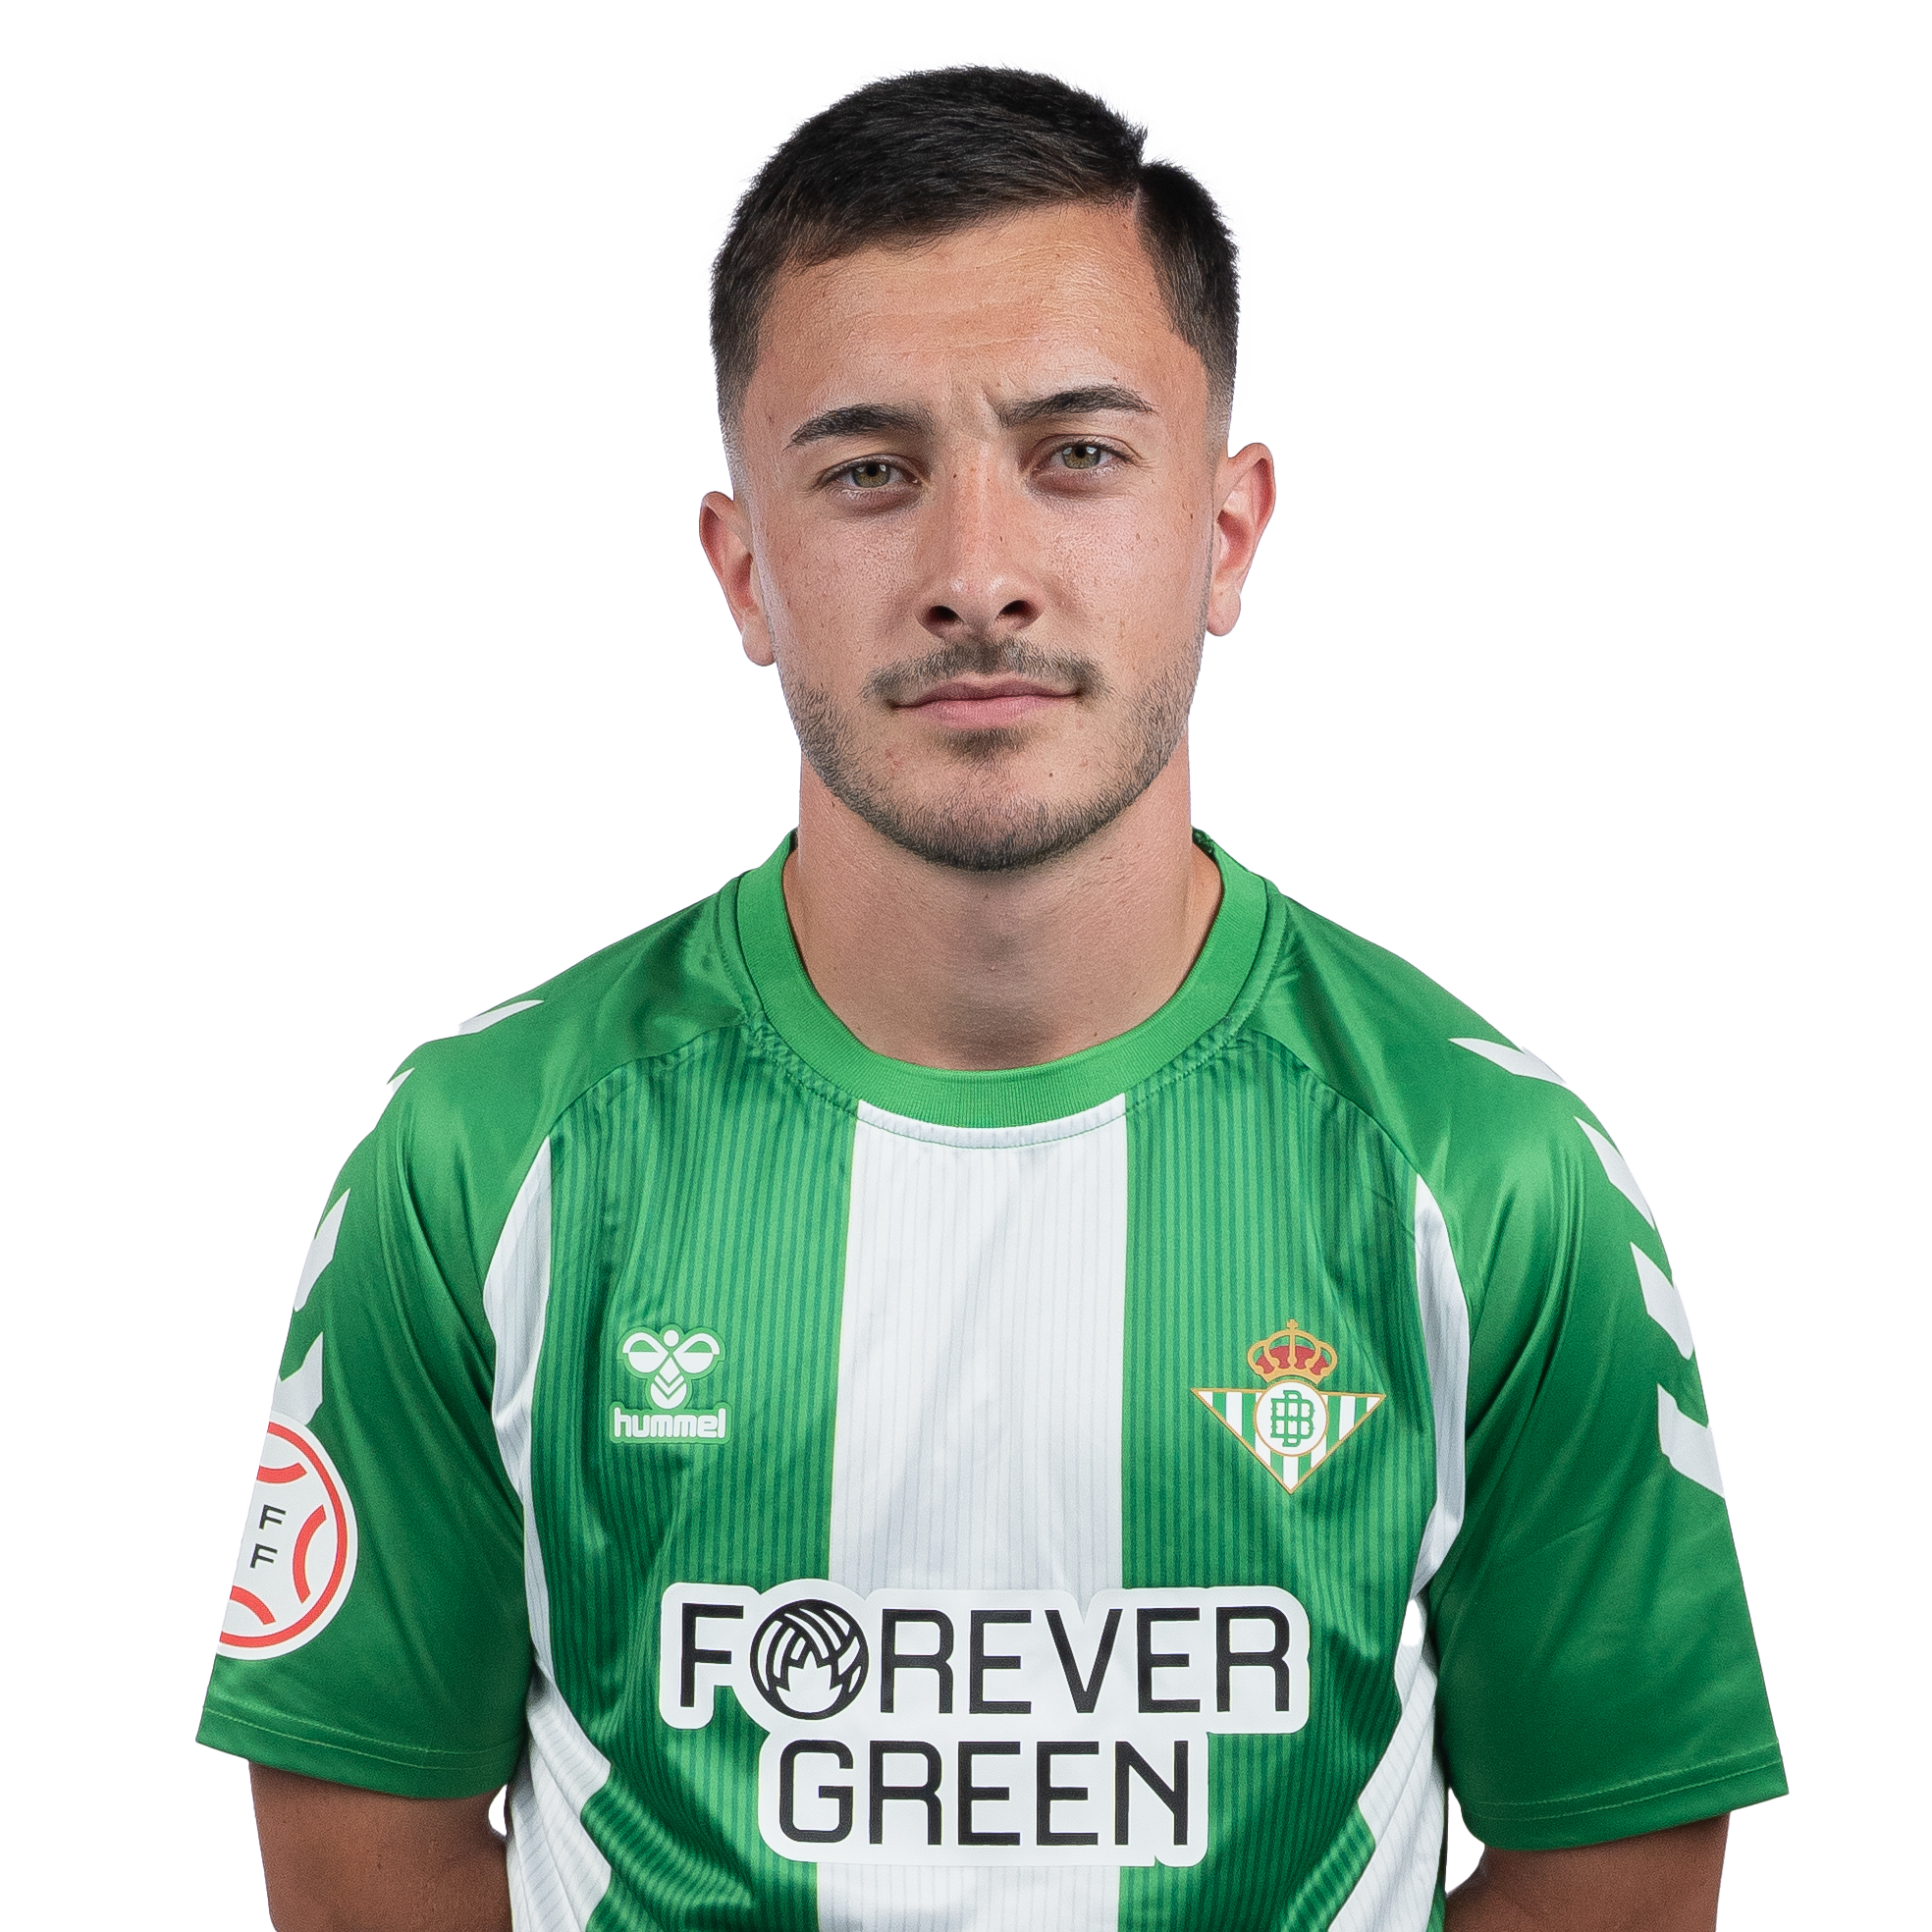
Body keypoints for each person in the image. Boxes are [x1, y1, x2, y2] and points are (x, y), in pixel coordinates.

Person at [197, 63, 1786, 1932]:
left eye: (1078, 455)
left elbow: (1615, 1861)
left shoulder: (1494, 1172)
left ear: (1226, 534)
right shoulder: (482, 1155)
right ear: (745, 572)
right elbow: (363, 1844)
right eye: (869, 471)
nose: (976, 575)